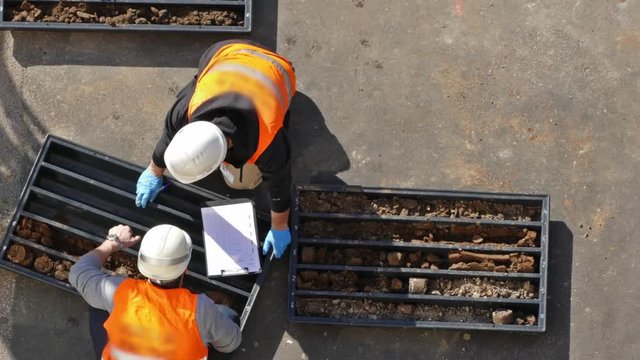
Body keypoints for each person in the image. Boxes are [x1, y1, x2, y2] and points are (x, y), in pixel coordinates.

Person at [135, 39, 296, 259]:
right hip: (229, 50)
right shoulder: (187, 108)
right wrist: (154, 171)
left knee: (240, 181)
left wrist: (279, 227)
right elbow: (169, 135)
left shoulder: (268, 141)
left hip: (277, 70)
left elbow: (279, 185)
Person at [69, 224, 241, 359]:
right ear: (186, 269)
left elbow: (78, 273)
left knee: (98, 304)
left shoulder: (121, 292)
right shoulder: (200, 310)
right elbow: (231, 343)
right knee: (227, 316)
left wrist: (112, 242)